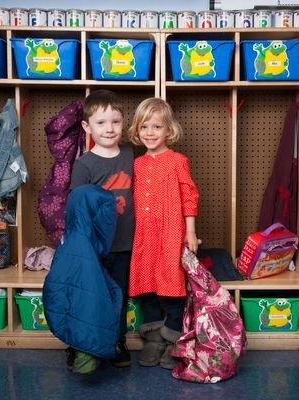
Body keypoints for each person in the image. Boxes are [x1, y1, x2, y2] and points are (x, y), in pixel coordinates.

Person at [127, 97, 199, 369]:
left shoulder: (177, 161)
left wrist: (190, 232)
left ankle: (173, 342)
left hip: (170, 231)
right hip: (143, 234)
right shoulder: (136, 164)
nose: (149, 133)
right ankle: (154, 341)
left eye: (156, 127)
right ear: (136, 129)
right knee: (146, 287)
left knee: (172, 288)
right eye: (144, 127)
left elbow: (188, 196)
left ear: (169, 130)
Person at [68, 89, 134, 371]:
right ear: (87, 127)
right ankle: (79, 344)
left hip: (124, 245)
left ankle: (117, 341)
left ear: (123, 123)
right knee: (88, 295)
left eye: (116, 122)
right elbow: (78, 210)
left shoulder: (132, 155)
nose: (109, 129)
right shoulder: (84, 165)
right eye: (101, 122)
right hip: (94, 248)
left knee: (119, 296)